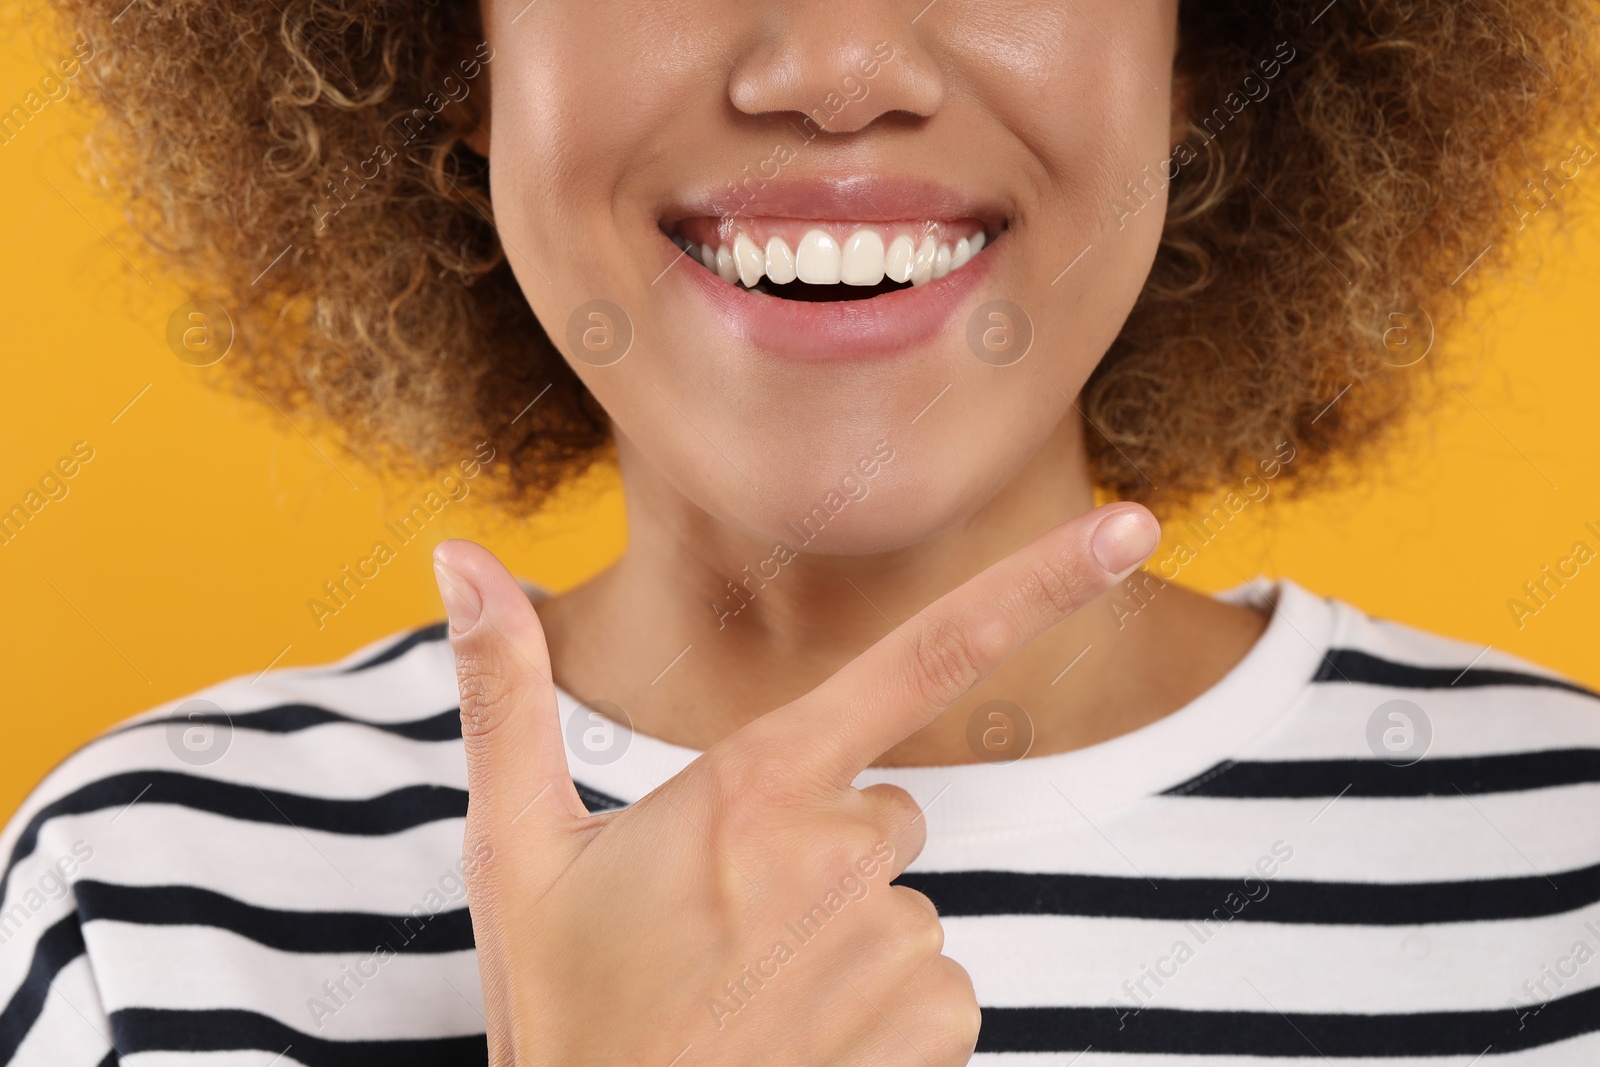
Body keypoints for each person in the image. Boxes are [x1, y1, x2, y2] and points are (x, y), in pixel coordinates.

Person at [4, 0, 1599, 1063]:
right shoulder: (149, 909)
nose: (839, 69)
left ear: (1200, 47)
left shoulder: (1569, 872)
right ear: (459, 50)